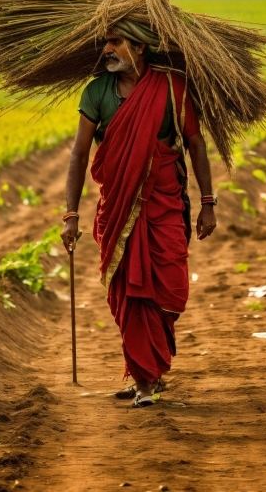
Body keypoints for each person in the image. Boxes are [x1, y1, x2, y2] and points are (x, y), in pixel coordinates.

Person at [61, 28, 217, 407]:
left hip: (164, 201)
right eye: (105, 43)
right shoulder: (97, 92)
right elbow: (80, 155)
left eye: (117, 42)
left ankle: (150, 371)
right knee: (128, 292)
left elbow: (194, 142)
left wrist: (207, 202)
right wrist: (70, 214)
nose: (108, 50)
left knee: (170, 286)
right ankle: (145, 381)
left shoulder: (171, 88)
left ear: (141, 47)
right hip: (116, 204)